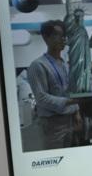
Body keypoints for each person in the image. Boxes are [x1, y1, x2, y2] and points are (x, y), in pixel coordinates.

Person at [27, 20, 82, 150]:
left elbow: (69, 91)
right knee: (56, 156)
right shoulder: (38, 65)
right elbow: (41, 98)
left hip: (70, 119)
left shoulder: (65, 65)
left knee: (70, 156)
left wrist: (77, 112)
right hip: (52, 123)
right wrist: (71, 101)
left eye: (64, 35)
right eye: (57, 34)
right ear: (45, 37)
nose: (63, 39)